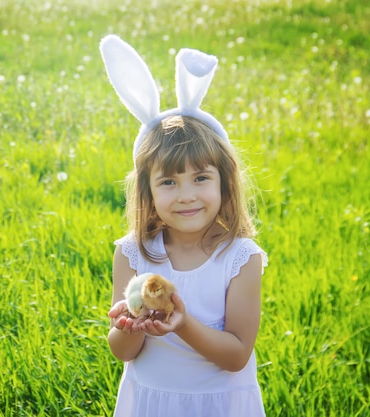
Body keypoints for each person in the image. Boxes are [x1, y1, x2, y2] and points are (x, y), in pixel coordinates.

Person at [100, 35, 267, 416]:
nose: (186, 195)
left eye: (201, 178)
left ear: (225, 182)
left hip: (218, 404)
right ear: (148, 192)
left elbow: (237, 354)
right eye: (169, 182)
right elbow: (122, 351)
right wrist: (129, 324)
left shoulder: (240, 258)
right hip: (151, 402)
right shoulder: (133, 253)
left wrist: (181, 323)